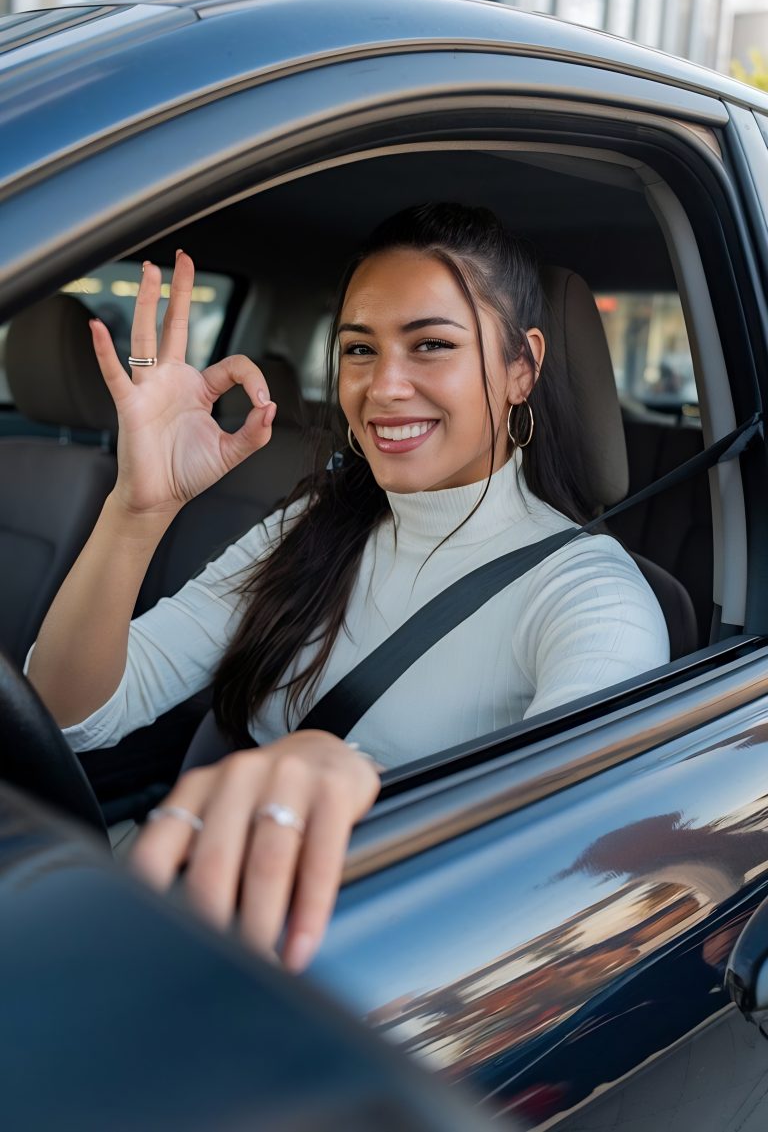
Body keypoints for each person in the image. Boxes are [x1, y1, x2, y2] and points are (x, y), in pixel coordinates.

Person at [27, 203, 668, 970]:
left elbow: (567, 853)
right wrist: (138, 508)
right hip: (179, 912)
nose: (383, 386)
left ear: (520, 367)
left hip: (350, 975)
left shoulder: (589, 594)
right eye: (359, 350)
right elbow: (71, 714)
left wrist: (357, 773)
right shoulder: (313, 524)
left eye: (431, 344)